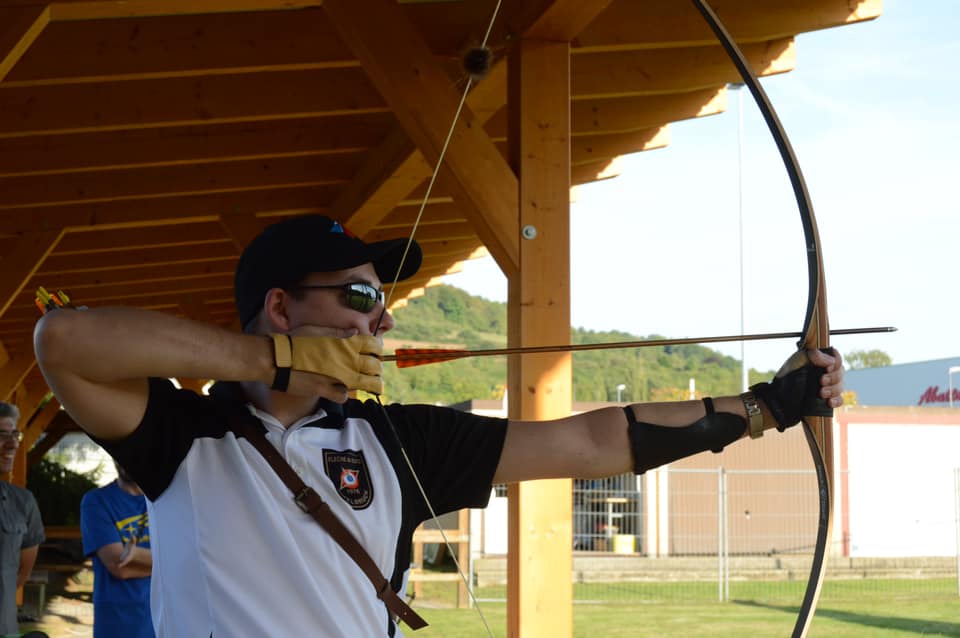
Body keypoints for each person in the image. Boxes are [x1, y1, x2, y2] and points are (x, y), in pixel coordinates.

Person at [32, 215, 845, 637]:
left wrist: (767, 408)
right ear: (279, 306)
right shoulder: (181, 432)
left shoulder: (398, 441)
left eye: (379, 301)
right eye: (354, 296)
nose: (377, 316)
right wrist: (272, 363)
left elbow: (594, 441)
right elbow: (62, 340)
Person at [80, 461, 154, 638]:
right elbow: (119, 566)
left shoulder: (164, 499)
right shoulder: (96, 501)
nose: (126, 457)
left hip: (164, 621)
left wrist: (137, 555)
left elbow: (192, 561)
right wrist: (172, 564)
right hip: (118, 623)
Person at [0, 402, 45, 638]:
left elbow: (20, 574)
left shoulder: (23, 502)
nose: (12, 444)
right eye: (1, 435)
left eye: (14, 434)